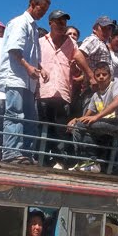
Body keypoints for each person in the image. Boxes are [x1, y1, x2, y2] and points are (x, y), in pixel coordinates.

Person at [0, 0, 51, 164]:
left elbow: (33, 55)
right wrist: (28, 67)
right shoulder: (20, 22)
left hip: (28, 80)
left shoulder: (33, 28)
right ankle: (11, 152)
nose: (42, 14)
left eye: (45, 11)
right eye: (41, 10)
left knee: (30, 118)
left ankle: (26, 153)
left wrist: (41, 68)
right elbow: (14, 49)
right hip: (15, 77)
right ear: (32, 4)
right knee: (15, 114)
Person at [38, 9, 94, 169]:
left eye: (64, 22)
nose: (62, 25)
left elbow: (78, 56)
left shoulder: (71, 43)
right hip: (42, 91)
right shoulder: (40, 42)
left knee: (60, 130)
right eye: (58, 21)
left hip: (62, 93)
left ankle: (59, 161)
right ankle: (40, 158)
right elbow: (33, 59)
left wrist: (90, 75)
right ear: (50, 23)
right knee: (41, 127)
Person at [68, 62, 118, 173]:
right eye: (98, 75)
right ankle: (84, 161)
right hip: (105, 124)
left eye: (104, 74)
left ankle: (91, 161)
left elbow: (117, 102)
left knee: (83, 126)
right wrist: (75, 120)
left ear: (110, 76)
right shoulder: (95, 95)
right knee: (77, 126)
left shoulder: (115, 84)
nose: (101, 77)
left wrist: (96, 117)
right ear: (95, 77)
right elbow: (87, 116)